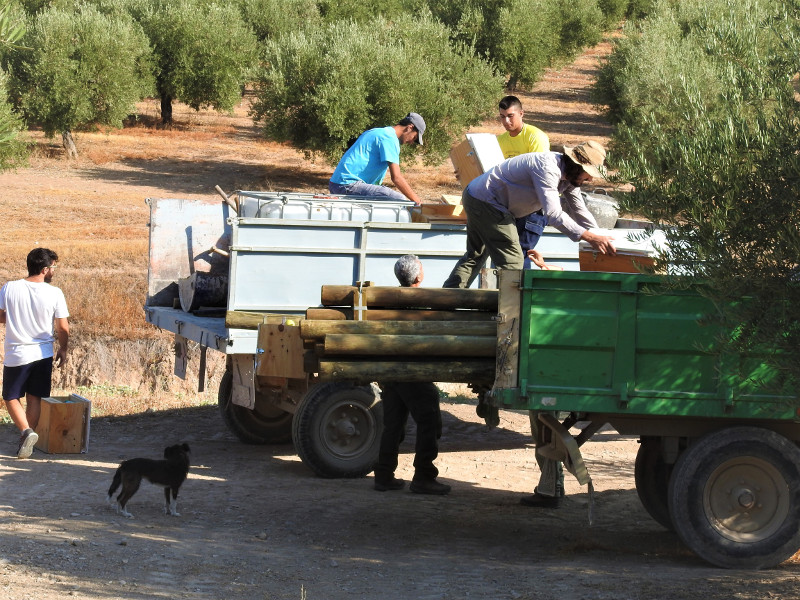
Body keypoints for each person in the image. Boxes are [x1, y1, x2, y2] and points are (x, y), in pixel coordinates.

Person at [442, 140, 616, 289]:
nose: (590, 179)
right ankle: (512, 316)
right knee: (513, 264)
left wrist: (600, 235)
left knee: (475, 255)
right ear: (577, 166)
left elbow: (579, 209)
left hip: (477, 195)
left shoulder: (571, 176)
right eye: (589, 174)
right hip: (488, 202)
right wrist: (590, 238)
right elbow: (554, 214)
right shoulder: (547, 167)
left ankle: (446, 302)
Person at [373, 254, 450, 495]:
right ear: (418, 276)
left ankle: (384, 475)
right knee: (430, 421)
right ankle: (424, 477)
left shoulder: (388, 300)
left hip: (390, 372)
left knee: (393, 425)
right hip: (412, 371)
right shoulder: (419, 301)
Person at [1, 248, 70, 459]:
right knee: (34, 398)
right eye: (53, 267)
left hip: (17, 353)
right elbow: (62, 327)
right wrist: (64, 349)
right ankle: (26, 438)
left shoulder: (9, 288)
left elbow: (1, 316)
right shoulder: (55, 292)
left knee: (10, 397)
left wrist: (14, 317)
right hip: (43, 353)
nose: (54, 272)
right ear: (44, 269)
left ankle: (26, 433)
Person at [496, 95, 552, 269]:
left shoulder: (535, 137)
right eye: (502, 116)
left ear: (521, 113)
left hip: (534, 207)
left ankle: (521, 294)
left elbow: (539, 175)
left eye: (510, 116)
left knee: (522, 253)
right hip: (513, 206)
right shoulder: (500, 141)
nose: (506, 121)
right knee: (507, 253)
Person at [329, 113, 426, 205]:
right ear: (410, 127)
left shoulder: (380, 132)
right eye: (414, 137)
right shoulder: (389, 138)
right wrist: (417, 200)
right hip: (348, 185)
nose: (411, 142)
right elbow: (396, 178)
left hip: (338, 183)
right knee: (399, 200)